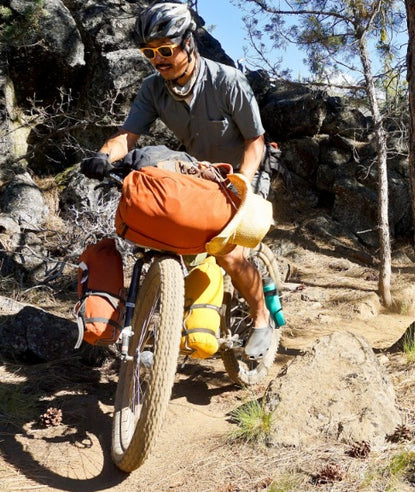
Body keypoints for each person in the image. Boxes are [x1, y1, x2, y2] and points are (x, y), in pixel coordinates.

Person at [80, 2, 276, 359]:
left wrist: (242, 185)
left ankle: (262, 316)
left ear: (189, 42)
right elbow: (128, 136)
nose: (158, 59)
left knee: (230, 255)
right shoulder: (153, 88)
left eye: (165, 50)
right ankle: (171, 315)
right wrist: (103, 156)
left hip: (244, 172)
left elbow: (255, 142)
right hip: (201, 174)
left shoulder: (227, 81)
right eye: (149, 53)